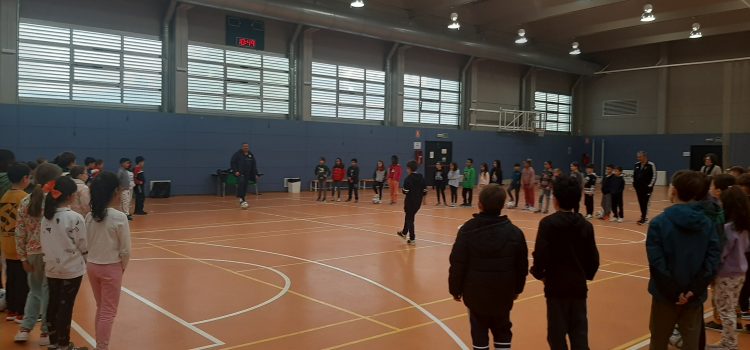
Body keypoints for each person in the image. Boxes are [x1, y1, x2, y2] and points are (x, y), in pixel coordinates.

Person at [646, 171, 721, 350]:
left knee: (658, 339)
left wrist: (673, 292)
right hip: (693, 298)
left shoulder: (659, 223)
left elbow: (656, 263)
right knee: (692, 341)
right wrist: (694, 290)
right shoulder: (707, 223)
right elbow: (712, 260)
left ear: (674, 191)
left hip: (664, 296)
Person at [449, 184, 528, 350]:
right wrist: (517, 290)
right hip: (503, 292)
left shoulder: (467, 230)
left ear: (480, 204)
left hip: (475, 293)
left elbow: (457, 263)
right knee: (503, 330)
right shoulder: (515, 233)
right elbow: (522, 266)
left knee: (479, 332)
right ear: (503, 204)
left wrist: (455, 289)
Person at [530, 174, 600, 350]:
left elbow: (540, 255)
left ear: (555, 199)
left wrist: (540, 274)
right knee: (579, 333)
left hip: (555, 287)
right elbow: (593, 258)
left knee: (556, 335)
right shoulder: (585, 225)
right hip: (578, 286)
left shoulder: (548, 224)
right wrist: (585, 275)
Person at [13, 163, 61, 345]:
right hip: (51, 253)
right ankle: (45, 333)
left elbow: (20, 232)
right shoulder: (55, 200)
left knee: (34, 291)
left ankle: (25, 329)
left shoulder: (26, 201)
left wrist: (23, 257)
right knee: (49, 292)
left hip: (32, 253)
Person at [40, 176, 89, 350]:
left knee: (53, 304)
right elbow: (83, 243)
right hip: (71, 269)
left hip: (52, 268)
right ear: (69, 196)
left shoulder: (46, 217)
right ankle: (63, 344)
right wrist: (86, 258)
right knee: (65, 306)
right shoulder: (74, 217)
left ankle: (54, 342)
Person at [86, 172, 132, 350]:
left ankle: (100, 344)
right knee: (108, 311)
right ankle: (102, 347)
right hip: (110, 267)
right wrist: (122, 268)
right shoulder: (119, 217)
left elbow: (87, 243)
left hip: (92, 266)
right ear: (114, 192)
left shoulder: (89, 216)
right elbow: (126, 249)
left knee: (101, 307)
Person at [707, 186, 750, 350]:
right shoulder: (744, 226)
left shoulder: (728, 228)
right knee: (730, 307)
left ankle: (729, 344)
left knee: (725, 310)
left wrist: (710, 270)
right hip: (740, 272)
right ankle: (728, 342)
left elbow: (721, 253)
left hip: (726, 274)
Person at [1, 163, 32, 323]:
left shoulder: (4, 196)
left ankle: (11, 310)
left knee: (11, 279)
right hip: (20, 245)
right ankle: (21, 311)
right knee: (22, 280)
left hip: (6, 243)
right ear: (25, 178)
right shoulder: (25, 198)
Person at [397, 161, 426, 245]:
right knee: (409, 217)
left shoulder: (408, 179)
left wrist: (403, 190)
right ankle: (404, 233)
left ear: (409, 169)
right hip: (418, 203)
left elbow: (405, 191)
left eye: (407, 168)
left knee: (410, 219)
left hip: (410, 202)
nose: (406, 170)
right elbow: (424, 191)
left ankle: (412, 239)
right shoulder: (421, 178)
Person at [230, 143, 260, 209]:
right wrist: (235, 171)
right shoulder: (237, 154)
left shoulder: (250, 155)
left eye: (247, 146)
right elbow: (233, 163)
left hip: (248, 174)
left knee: (245, 186)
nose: (246, 147)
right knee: (241, 183)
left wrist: (256, 174)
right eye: (244, 146)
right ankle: (241, 199)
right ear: (242, 147)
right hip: (240, 173)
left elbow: (254, 165)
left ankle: (243, 198)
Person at [634, 151, 657, 225]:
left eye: (640, 157)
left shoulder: (651, 165)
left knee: (646, 203)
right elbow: (634, 175)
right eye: (637, 157)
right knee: (641, 203)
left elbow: (654, 176)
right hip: (638, 188)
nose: (638, 158)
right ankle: (643, 217)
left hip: (647, 188)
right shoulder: (636, 165)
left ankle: (645, 218)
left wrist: (650, 185)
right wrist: (634, 184)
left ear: (644, 157)